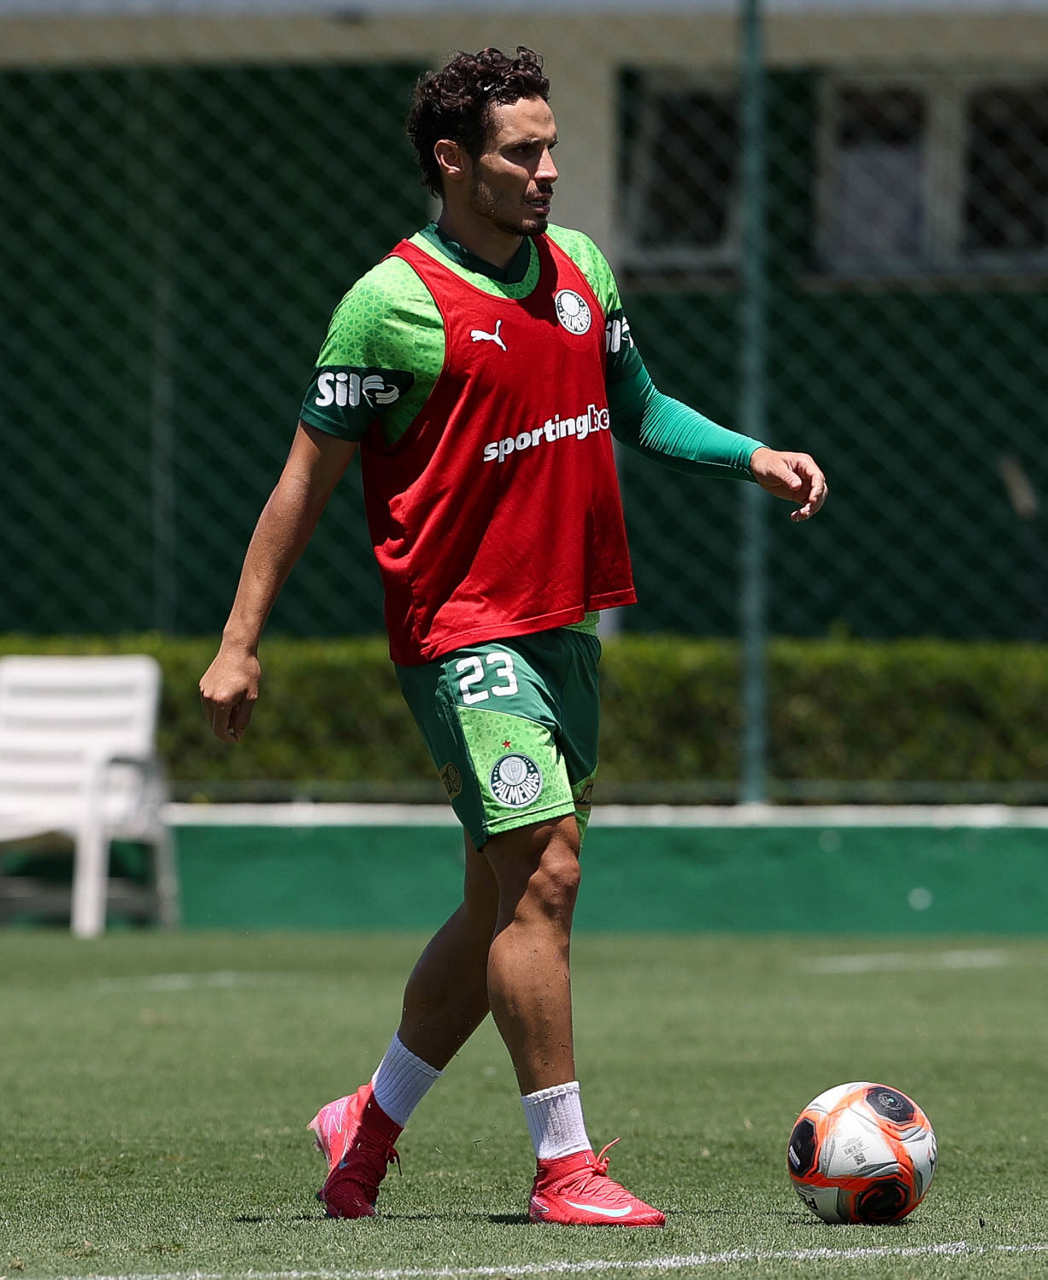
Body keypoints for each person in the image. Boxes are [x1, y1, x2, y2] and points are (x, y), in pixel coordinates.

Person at [199, 46, 827, 1228]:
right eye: (520, 152)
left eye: (550, 148)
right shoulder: (389, 305)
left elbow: (639, 407)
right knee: (547, 868)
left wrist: (750, 454)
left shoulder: (581, 266)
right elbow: (301, 483)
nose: (547, 171)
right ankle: (563, 1165)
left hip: (566, 630)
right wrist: (240, 640)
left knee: (501, 901)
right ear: (452, 161)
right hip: (459, 634)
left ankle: (366, 1123)